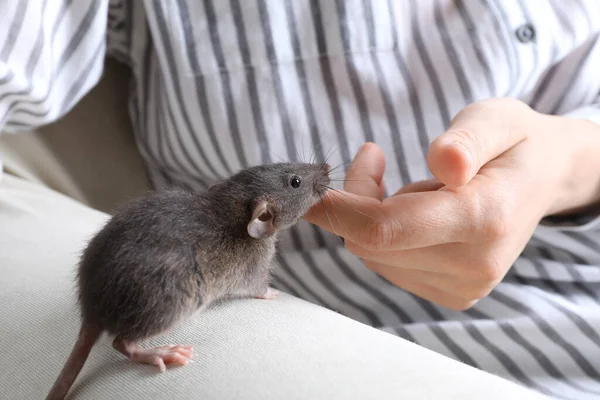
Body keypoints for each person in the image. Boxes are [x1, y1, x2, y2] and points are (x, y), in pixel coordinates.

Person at [1, 1, 599, 399]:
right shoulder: (246, 238)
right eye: (296, 185)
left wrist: (567, 160)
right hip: (415, 351)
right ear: (263, 218)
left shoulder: (246, 220)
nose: (316, 175)